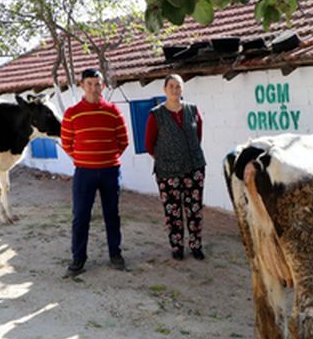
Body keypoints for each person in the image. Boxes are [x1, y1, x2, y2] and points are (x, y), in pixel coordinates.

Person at [60, 68, 129, 276]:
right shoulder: (72, 113)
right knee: (80, 216)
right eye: (89, 83)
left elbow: (123, 141)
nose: (93, 87)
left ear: (103, 86)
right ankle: (78, 259)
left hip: (110, 171)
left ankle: (115, 254)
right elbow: (66, 143)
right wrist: (84, 158)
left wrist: (105, 157)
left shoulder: (113, 111)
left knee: (112, 215)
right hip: (84, 173)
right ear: (82, 86)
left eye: (97, 83)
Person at [145, 73, 206, 260]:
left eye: (178, 86)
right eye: (171, 86)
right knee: (173, 211)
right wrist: (168, 157)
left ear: (183, 89)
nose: (175, 90)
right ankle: (177, 247)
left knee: (194, 209)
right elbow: (149, 144)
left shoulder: (192, 110)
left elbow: (198, 136)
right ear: (164, 89)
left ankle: (196, 245)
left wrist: (187, 155)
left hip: (193, 167)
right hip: (167, 171)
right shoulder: (156, 115)